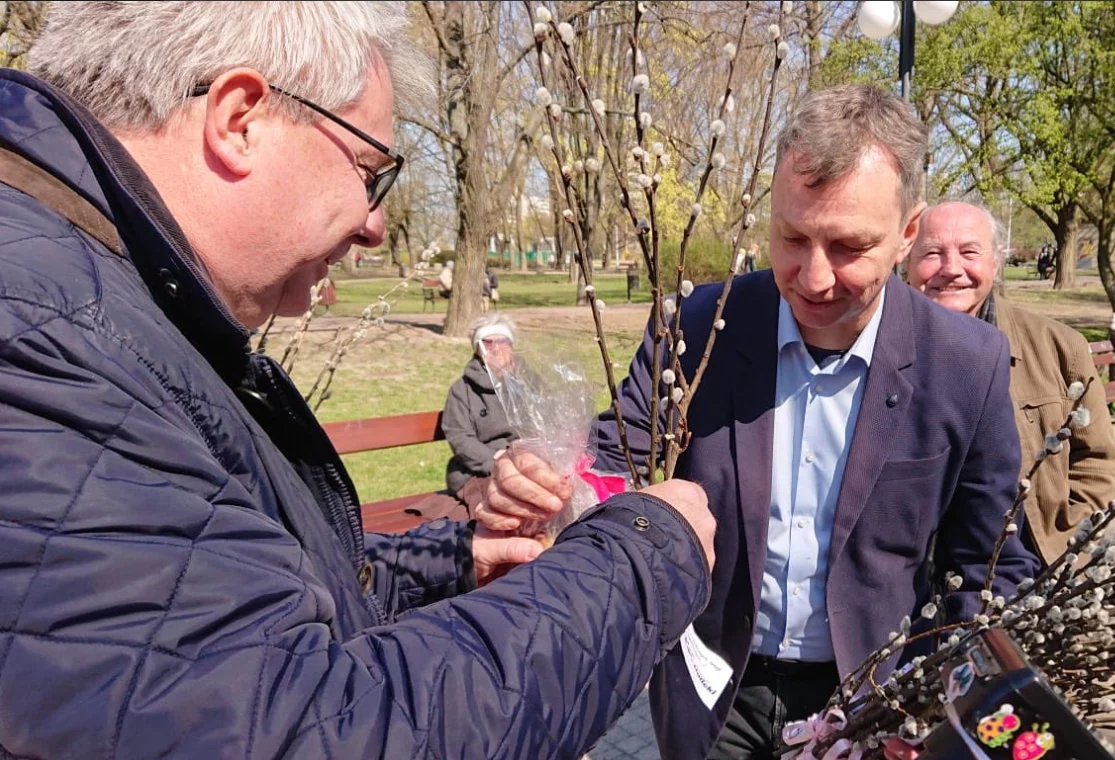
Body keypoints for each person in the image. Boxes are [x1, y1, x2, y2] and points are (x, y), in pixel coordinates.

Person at [0, 3, 716, 757]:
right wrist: (644, 557)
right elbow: (307, 730)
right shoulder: (44, 336)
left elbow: (215, 621)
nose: (375, 225)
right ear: (239, 119)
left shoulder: (104, 305)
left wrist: (447, 564)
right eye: (370, 171)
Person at [474, 85, 1041, 760]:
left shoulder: (965, 363)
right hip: (716, 690)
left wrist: (948, 705)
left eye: (849, 245)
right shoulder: (699, 326)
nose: (814, 275)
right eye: (792, 236)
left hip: (871, 703)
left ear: (907, 234)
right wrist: (544, 477)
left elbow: (991, 564)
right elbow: (619, 451)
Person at [905, 202, 1115, 565]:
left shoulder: (1059, 347)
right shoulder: (875, 346)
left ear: (995, 262)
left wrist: (1065, 544)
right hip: (910, 585)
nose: (951, 268)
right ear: (906, 261)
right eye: (932, 253)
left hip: (1030, 570)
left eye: (969, 252)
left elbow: (1098, 460)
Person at [442, 314, 519, 501]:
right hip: (479, 471)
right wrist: (498, 460)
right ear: (477, 349)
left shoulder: (528, 381)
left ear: (512, 346)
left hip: (526, 464)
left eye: (503, 342)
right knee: (511, 502)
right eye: (487, 343)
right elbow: (459, 437)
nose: (496, 349)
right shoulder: (462, 390)